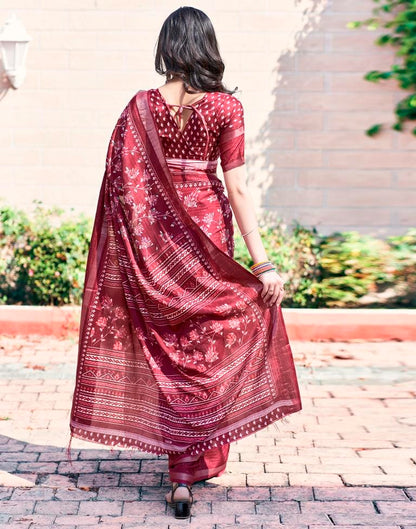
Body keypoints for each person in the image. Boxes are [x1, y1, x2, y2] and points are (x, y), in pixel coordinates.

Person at [69, 6, 302, 520]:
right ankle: (189, 461)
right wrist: (263, 267)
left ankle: (182, 464)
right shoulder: (225, 108)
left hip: (155, 240)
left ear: (167, 47)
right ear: (207, 47)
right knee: (205, 339)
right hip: (206, 232)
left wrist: (139, 245)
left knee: (168, 342)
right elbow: (237, 187)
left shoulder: (139, 107)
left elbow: (120, 188)